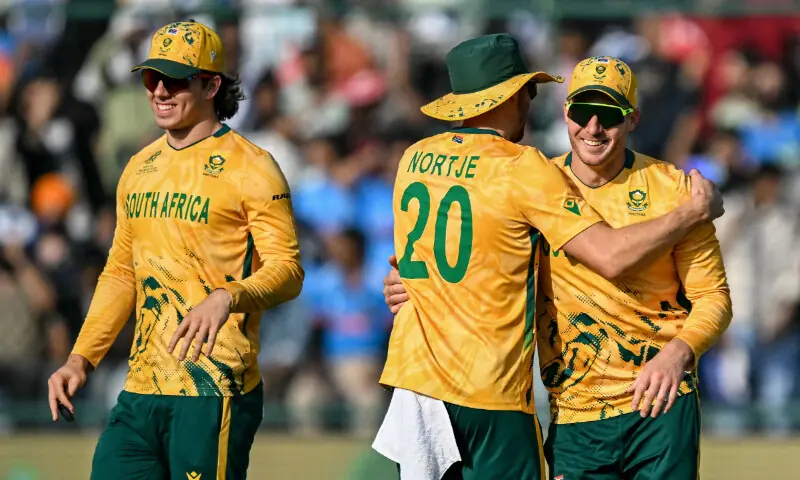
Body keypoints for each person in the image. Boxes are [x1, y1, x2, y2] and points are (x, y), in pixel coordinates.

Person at [372, 35, 722, 480]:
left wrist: (680, 352)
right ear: (517, 97)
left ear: (632, 118)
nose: (593, 126)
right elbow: (611, 256)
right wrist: (694, 212)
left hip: (419, 382)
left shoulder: (412, 158)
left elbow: (714, 295)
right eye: (579, 111)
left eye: (610, 114)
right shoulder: (531, 171)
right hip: (507, 395)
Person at [47, 20, 304, 480]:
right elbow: (121, 274)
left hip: (215, 387)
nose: (160, 91)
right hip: (141, 388)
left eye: (175, 79)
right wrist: (79, 358)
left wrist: (228, 296)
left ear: (211, 85)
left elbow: (288, 271)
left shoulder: (255, 167)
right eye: (151, 78)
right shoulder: (138, 167)